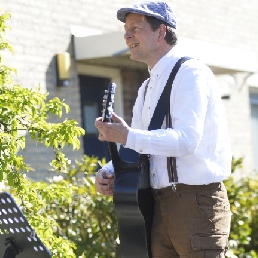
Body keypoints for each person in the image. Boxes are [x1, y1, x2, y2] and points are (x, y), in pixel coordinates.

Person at [95, 1, 232, 257]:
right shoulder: (146, 87)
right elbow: (138, 147)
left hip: (197, 202)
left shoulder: (190, 72)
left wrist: (128, 135)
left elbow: (185, 140)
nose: (127, 35)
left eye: (135, 28)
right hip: (159, 205)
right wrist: (110, 171)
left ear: (162, 31)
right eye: (126, 29)